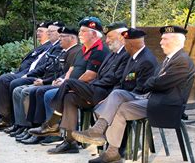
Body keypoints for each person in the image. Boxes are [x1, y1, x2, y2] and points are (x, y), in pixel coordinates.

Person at [72, 26, 195, 163]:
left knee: (119, 102)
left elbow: (157, 83)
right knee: (118, 100)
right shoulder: (170, 59)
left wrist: (154, 81)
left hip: (165, 106)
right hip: (153, 99)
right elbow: (155, 81)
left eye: (164, 39)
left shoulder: (182, 61)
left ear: (176, 41)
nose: (160, 42)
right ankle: (110, 149)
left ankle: (103, 138)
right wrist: (155, 81)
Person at [43, 22, 131, 153]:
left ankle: (54, 122)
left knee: (68, 83)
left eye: (110, 37)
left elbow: (114, 79)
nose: (106, 40)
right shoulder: (113, 54)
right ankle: (70, 142)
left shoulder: (126, 54)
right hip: (97, 89)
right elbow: (101, 75)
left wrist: (89, 85)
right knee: (69, 97)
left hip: (107, 93)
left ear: (121, 37)